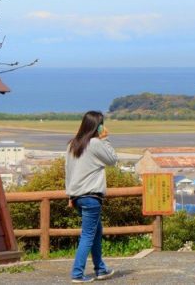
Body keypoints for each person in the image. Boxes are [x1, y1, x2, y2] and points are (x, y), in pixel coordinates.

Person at [65, 111, 117, 283]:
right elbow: (112, 160)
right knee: (88, 234)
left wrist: (70, 195)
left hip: (78, 196)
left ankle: (100, 269)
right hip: (91, 197)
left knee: (96, 231)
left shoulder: (72, 144)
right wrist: (105, 139)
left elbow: (68, 171)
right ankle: (77, 274)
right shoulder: (95, 143)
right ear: (98, 126)